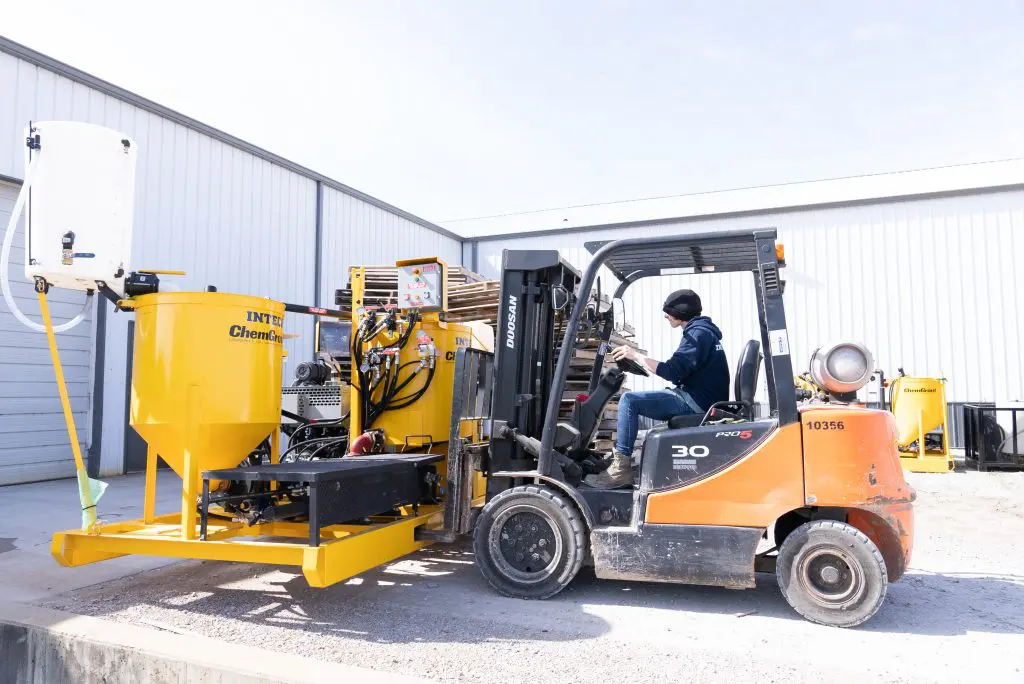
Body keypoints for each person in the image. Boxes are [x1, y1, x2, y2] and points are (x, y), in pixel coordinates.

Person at [584, 289, 730, 489]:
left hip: (696, 403)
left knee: (629, 401)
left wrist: (636, 356)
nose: (666, 316)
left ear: (680, 313)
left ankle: (621, 470)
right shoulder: (701, 331)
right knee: (636, 400)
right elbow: (680, 369)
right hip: (697, 398)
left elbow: (672, 371)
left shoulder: (698, 334)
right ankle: (617, 460)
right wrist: (637, 360)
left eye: (669, 312)